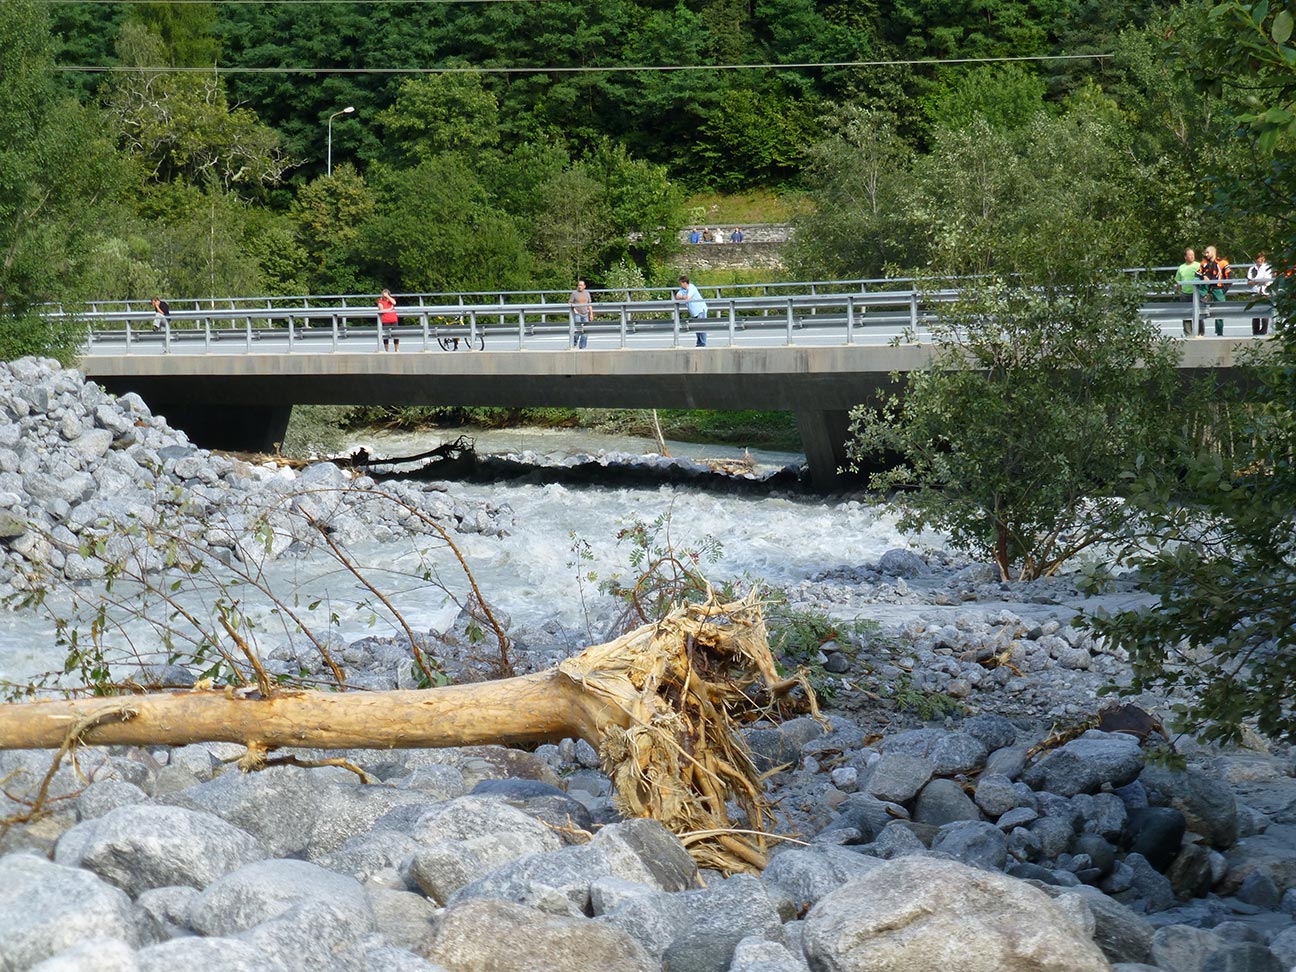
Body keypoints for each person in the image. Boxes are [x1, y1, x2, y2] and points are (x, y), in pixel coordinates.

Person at [1197, 245, 1232, 336]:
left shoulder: (1223, 263)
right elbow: (1197, 273)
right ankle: (1203, 296)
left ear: (1213, 252)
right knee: (1199, 308)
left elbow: (1230, 277)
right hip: (1207, 288)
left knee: (1220, 311)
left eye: (1207, 252)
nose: (1206, 254)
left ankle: (1219, 332)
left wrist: (1224, 290)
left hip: (1218, 289)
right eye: (1205, 252)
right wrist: (1203, 276)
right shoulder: (1204, 263)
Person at [675, 275, 708, 347]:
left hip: (700, 309)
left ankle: (702, 343)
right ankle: (699, 343)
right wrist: (683, 297)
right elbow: (677, 296)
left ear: (685, 283)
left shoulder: (691, 287)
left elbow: (688, 298)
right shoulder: (682, 289)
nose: (680, 285)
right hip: (693, 311)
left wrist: (682, 297)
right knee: (696, 327)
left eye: (680, 283)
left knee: (701, 327)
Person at [1247, 252, 1274, 335]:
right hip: (1255, 292)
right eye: (1258, 258)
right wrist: (1259, 281)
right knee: (1255, 313)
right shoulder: (1252, 269)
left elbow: (1266, 281)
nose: (1260, 260)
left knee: (1265, 312)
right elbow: (1249, 282)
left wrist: (1256, 281)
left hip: (1265, 292)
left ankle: (1263, 331)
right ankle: (1255, 331)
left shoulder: (1267, 268)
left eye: (1261, 258)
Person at [1175, 248, 1198, 336]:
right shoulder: (1181, 267)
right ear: (1185, 257)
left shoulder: (1198, 266)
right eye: (1190, 255)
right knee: (1186, 314)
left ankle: (1200, 332)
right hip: (1185, 293)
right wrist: (1179, 292)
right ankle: (1188, 333)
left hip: (1197, 293)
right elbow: (1178, 281)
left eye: (1193, 255)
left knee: (1199, 314)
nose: (1192, 256)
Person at [569, 278, 593, 348]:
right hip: (577, 314)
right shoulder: (574, 293)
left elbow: (589, 304)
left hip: (585, 314)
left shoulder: (587, 293)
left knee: (585, 332)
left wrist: (591, 314)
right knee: (577, 331)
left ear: (584, 286)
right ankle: (573, 344)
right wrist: (574, 309)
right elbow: (570, 302)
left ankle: (582, 347)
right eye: (579, 285)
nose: (580, 287)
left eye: (581, 285)